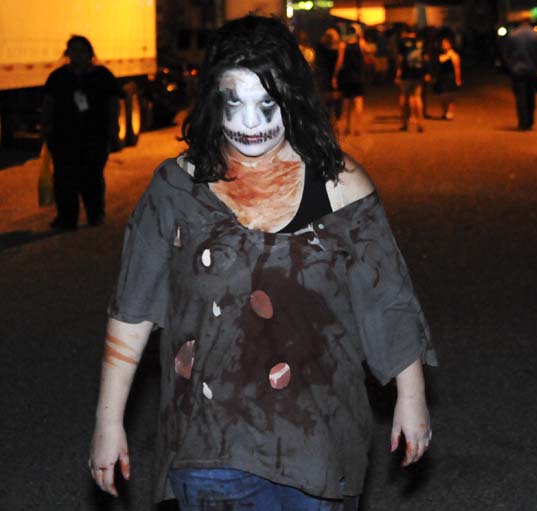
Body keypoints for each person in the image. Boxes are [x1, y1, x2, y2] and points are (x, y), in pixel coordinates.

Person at [88, 15, 436, 511]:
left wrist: (411, 396)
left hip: (320, 437)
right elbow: (132, 310)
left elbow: (387, 298)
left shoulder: (340, 188)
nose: (251, 124)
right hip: (210, 440)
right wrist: (108, 421)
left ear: (291, 100)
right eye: (234, 103)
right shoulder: (174, 192)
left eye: (267, 105)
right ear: (212, 101)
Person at [42, 35, 122, 230]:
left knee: (92, 176)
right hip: (64, 137)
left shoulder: (102, 76)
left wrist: (113, 129)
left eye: (82, 51)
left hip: (95, 136)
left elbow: (114, 102)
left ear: (90, 54)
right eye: (73, 51)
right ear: (67, 54)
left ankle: (95, 215)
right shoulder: (58, 77)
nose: (77, 55)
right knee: (64, 178)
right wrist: (47, 128)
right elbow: (48, 104)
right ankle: (66, 218)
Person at [501, 15, 537, 131]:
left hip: (517, 69)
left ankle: (522, 121)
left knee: (520, 96)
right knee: (530, 95)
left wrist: (510, 65)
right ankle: (530, 120)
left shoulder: (513, 35)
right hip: (531, 69)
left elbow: (506, 52)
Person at [333, 24, 369, 136]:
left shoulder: (343, 45)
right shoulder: (361, 44)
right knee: (359, 102)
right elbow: (368, 51)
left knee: (346, 103)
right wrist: (362, 37)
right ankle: (357, 127)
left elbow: (339, 62)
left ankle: (347, 127)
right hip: (359, 76)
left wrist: (335, 76)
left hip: (346, 77)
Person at [396, 28, 429, 132]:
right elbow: (426, 58)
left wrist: (398, 72)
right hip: (418, 73)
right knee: (418, 97)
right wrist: (427, 72)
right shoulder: (422, 42)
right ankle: (420, 123)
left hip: (406, 73)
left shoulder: (402, 42)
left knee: (405, 97)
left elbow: (400, 59)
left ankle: (405, 123)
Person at [315, 27, 343, 134]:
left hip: (324, 77)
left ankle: (329, 124)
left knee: (326, 101)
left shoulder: (321, 48)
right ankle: (337, 123)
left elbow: (318, 63)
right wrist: (335, 77)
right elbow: (339, 63)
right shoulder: (339, 48)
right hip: (336, 77)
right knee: (337, 100)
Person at [433, 36, 462, 120]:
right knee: (441, 96)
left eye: (446, 44)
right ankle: (445, 111)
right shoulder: (440, 55)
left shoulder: (454, 55)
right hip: (441, 78)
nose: (444, 45)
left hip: (450, 77)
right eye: (443, 44)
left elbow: (457, 68)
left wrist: (458, 79)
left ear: (450, 44)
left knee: (450, 96)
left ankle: (450, 112)